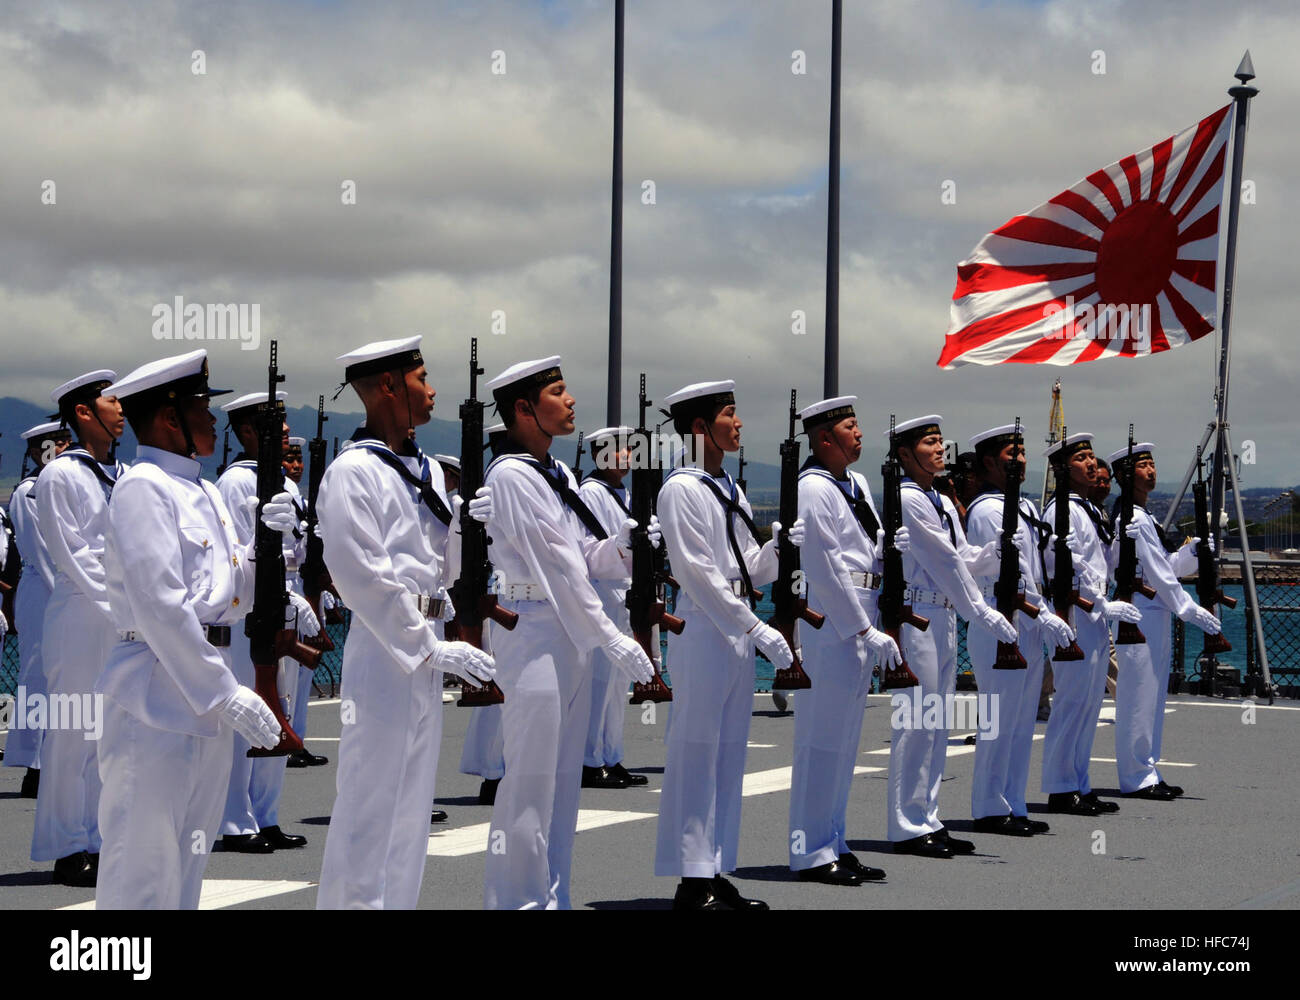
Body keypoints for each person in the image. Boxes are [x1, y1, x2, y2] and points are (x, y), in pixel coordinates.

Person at [95, 349, 296, 909]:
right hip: (156, 694)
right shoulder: (144, 488)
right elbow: (163, 607)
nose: (213, 420)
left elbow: (229, 595)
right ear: (167, 419)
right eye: (202, 408)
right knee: (143, 866)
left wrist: (267, 546)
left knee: (187, 864)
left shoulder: (203, 491)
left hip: (204, 689)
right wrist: (224, 691)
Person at [315, 335, 496, 909]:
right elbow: (361, 577)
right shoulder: (354, 473)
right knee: (369, 810)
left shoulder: (423, 472)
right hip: (387, 652)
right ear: (389, 386)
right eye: (422, 377)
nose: (432, 388)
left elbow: (446, 569)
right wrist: (428, 647)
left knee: (412, 815)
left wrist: (470, 526)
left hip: (425, 648)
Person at [479, 356, 654, 910]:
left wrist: (625, 546)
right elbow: (556, 565)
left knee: (560, 786)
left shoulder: (554, 475)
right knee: (529, 784)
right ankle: (518, 902)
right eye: (558, 391)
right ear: (524, 409)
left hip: (563, 635)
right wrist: (609, 635)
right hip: (531, 632)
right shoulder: (512, 475)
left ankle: (552, 897)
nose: (571, 400)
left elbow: (581, 554)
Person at [653, 380, 795, 910]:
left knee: (728, 755)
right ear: (698, 427)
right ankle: (692, 879)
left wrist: (779, 549)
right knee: (696, 753)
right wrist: (756, 628)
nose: (738, 424)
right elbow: (697, 572)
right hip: (705, 628)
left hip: (732, 626)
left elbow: (744, 569)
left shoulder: (728, 488)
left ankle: (715, 868)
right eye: (730, 415)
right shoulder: (682, 489)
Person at [885, 415, 1018, 860]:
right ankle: (906, 824)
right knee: (916, 722)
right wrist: (979, 611)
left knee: (936, 723)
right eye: (928, 442)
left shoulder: (938, 499)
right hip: (917, 611)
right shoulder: (909, 499)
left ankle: (927, 817)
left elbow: (963, 558)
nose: (939, 448)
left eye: (940, 441)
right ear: (905, 455)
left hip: (940, 615)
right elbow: (943, 561)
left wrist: (995, 552)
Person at [787, 396, 902, 887]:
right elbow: (827, 567)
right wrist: (863, 628)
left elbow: (864, 547)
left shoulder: (852, 483)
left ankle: (834, 839)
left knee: (845, 741)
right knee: (820, 741)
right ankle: (809, 851)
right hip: (836, 622)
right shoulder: (814, 487)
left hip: (863, 609)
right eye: (851, 427)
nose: (860, 435)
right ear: (825, 438)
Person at [33, 369, 125, 887]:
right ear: (84, 413)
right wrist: (125, 606)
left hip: (118, 613)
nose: (121, 409)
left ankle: (99, 837)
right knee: (74, 733)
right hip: (82, 612)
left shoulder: (121, 472)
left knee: (109, 732)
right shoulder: (61, 475)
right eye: (112, 401)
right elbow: (75, 556)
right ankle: (69, 846)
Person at [963, 424, 1076, 837]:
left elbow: (1039, 567)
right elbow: (1013, 576)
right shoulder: (990, 510)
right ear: (989, 462)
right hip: (1000, 619)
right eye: (1013, 453)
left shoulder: (1022, 507)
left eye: (1024, 452)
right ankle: (990, 806)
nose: (1022, 460)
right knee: (999, 719)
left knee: (1021, 720)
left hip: (1025, 621)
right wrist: (1041, 612)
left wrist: (1042, 613)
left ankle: (1012, 801)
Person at [215, 391, 316, 853]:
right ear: (249, 432)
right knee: (249, 711)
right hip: (252, 607)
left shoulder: (285, 483)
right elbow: (240, 551)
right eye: (275, 424)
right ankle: (236, 819)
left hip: (285, 600)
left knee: (283, 707)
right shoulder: (238, 482)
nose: (286, 432)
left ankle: (266, 813)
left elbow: (296, 548)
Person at [1105, 442, 1220, 800]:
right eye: (1143, 466)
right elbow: (1159, 575)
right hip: (1140, 610)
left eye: (1153, 464)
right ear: (1125, 475)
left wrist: (1193, 552)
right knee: (1138, 696)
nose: (1151, 471)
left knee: (1151, 695)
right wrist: (1189, 609)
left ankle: (1148, 770)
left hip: (1153, 611)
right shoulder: (1133, 518)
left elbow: (1167, 567)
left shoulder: (1144, 516)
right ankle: (1137, 775)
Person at [1041, 433, 1141, 816]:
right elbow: (1062, 565)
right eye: (1081, 457)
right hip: (1076, 610)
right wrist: (1100, 602)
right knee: (1071, 701)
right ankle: (1060, 787)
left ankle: (1078, 782)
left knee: (1089, 703)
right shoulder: (1059, 510)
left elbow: (1100, 563)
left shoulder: (1089, 510)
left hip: (1096, 612)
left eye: (1091, 457)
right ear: (1063, 468)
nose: (1090, 463)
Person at [4, 422, 72, 797]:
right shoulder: (29, 493)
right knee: (38, 676)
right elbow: (44, 555)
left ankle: (63, 759)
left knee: (70, 677)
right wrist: (73, 591)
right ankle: (35, 765)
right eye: (55, 443)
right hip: (45, 590)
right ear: (36, 451)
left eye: (65, 441)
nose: (63, 447)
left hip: (68, 589)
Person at [577, 426, 647, 790]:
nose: (626, 457)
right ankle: (589, 760)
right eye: (618, 451)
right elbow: (591, 546)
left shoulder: (625, 491)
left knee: (619, 681)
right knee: (600, 680)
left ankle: (611, 754)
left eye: (629, 450)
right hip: (603, 589)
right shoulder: (591, 492)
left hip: (625, 591)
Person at [458, 422, 508, 806]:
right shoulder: (495, 483)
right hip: (494, 595)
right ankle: (493, 773)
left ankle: (503, 770)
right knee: (495, 686)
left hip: (502, 593)